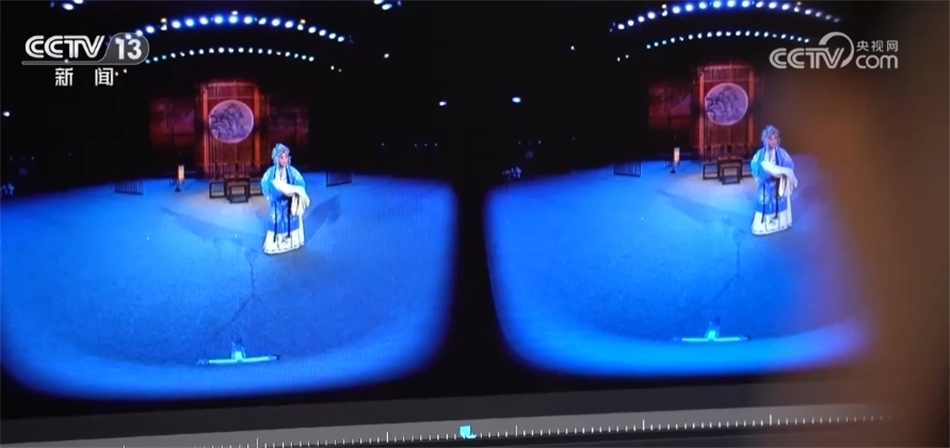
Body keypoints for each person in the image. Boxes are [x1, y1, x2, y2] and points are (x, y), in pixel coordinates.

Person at [261, 144, 310, 254]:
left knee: (290, 219)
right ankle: (276, 244)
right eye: (281, 157)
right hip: (277, 202)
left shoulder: (292, 171)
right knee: (277, 220)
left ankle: (291, 242)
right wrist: (270, 192)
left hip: (289, 201)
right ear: (276, 158)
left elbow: (300, 182)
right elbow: (264, 182)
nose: (284, 160)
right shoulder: (271, 172)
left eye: (286, 157)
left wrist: (295, 191)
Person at [750, 125, 798, 235]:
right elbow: (754, 164)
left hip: (778, 184)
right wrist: (760, 175)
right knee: (765, 202)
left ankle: (780, 224)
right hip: (765, 185)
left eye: (775, 138)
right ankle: (764, 226)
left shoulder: (782, 153)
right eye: (771, 139)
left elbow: (789, 165)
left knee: (779, 201)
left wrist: (782, 173)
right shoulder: (760, 153)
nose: (773, 141)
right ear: (765, 140)